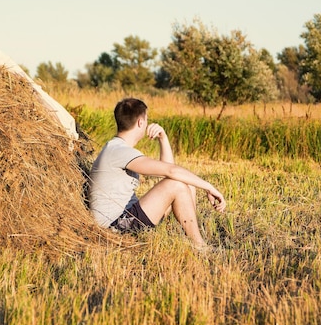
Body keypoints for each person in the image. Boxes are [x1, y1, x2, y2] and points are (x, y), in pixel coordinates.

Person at [88, 97, 226, 248]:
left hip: (127, 217)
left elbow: (168, 173)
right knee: (176, 185)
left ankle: (190, 235)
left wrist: (163, 138)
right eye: (146, 119)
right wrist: (209, 187)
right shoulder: (119, 151)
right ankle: (200, 246)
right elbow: (171, 171)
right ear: (141, 122)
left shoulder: (116, 148)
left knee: (185, 184)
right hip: (115, 226)